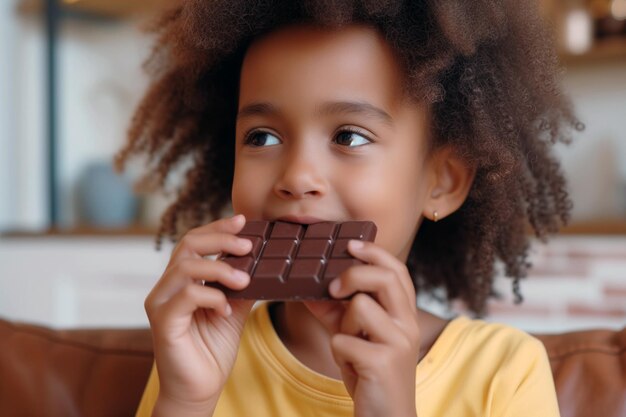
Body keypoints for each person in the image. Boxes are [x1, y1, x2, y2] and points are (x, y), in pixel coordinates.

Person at [116, 1, 583, 416]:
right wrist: (186, 403)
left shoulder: (504, 374)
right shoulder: (197, 353)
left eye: (349, 136)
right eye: (261, 137)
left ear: (444, 182)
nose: (297, 176)